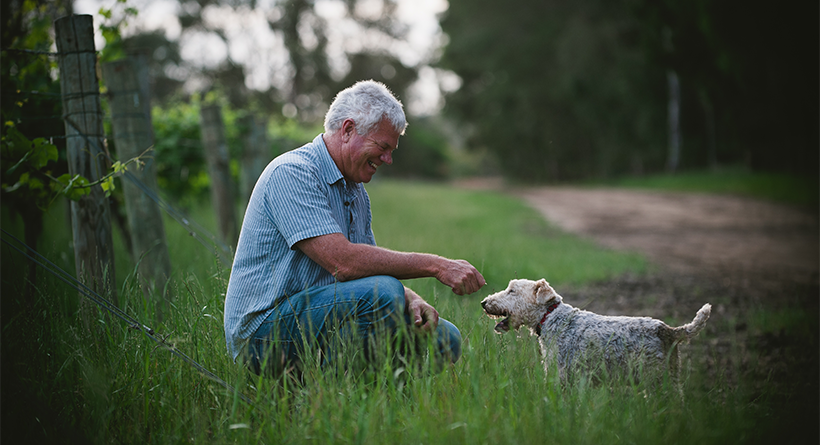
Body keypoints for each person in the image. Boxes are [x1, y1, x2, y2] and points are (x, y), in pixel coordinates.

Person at [223, 80, 485, 376]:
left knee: (442, 338)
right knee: (382, 293)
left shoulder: (355, 191)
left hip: (313, 316)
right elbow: (343, 263)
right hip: (262, 336)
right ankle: (333, 400)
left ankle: (381, 403)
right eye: (383, 147)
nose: (387, 159)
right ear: (348, 130)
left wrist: (411, 298)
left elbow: (368, 274)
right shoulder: (293, 173)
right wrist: (436, 266)